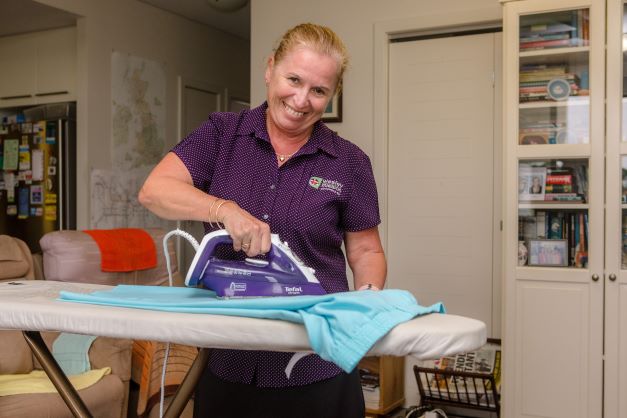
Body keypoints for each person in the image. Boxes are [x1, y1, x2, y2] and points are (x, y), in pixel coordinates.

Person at [138, 22, 386, 418]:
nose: (301, 100)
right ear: (270, 69)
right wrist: (224, 210)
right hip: (228, 358)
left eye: (319, 90)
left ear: (331, 94)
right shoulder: (222, 134)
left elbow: (366, 249)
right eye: (293, 79)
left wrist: (365, 307)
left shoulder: (350, 162)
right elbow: (155, 189)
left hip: (319, 363)